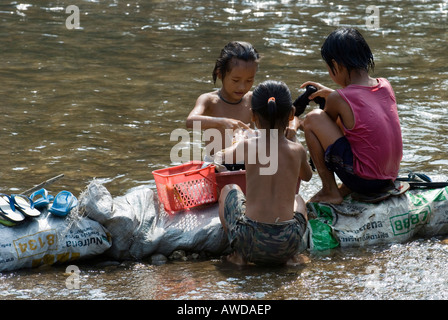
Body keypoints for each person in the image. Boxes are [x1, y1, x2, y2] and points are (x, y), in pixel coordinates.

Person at [299, 27, 403, 204]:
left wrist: (294, 122)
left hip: (365, 181)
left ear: (336, 65)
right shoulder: (385, 85)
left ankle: (329, 191)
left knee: (312, 119)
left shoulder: (339, 98)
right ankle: (347, 187)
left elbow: (322, 127)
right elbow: (362, 110)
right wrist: (332, 94)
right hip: (389, 176)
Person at [217, 80, 313, 266]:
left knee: (229, 188)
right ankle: (292, 258)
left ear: (253, 116)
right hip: (287, 243)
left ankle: (238, 256)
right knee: (298, 199)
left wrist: (237, 140)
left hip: (249, 241)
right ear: (291, 113)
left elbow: (219, 158)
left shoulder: (248, 145)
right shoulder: (297, 150)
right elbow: (307, 176)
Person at [186, 41, 260, 153]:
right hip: (215, 163)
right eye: (235, 80)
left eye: (249, 80)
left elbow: (286, 113)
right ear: (220, 74)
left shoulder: (253, 98)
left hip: (248, 163)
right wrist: (223, 122)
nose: (242, 87)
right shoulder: (209, 100)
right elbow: (190, 121)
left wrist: (292, 127)